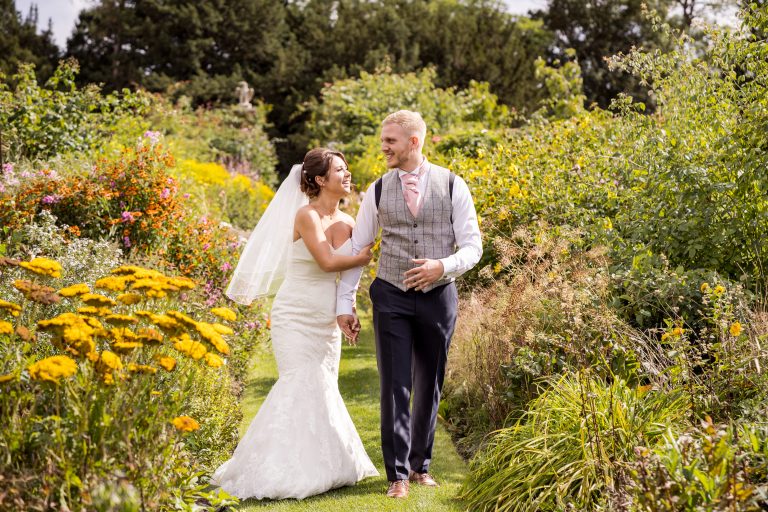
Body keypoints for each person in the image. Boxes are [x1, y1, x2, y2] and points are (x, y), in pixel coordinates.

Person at [212, 148, 378, 500]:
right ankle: (275, 468)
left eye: (347, 169)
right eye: (339, 170)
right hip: (295, 313)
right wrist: (366, 255)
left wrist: (346, 310)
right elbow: (327, 261)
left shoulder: (349, 223)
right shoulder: (306, 216)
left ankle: (327, 466)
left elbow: (347, 280)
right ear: (320, 179)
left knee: (323, 385)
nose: (347, 175)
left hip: (325, 316)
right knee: (299, 381)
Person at [336, 110, 482, 499]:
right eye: (383, 140)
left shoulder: (453, 184)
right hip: (391, 295)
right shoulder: (379, 190)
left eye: (390, 141)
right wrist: (344, 303)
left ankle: (421, 466)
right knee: (395, 384)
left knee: (429, 382)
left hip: (439, 297)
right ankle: (397, 474)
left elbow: (473, 247)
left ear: (413, 142)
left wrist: (442, 266)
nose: (383, 147)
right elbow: (358, 247)